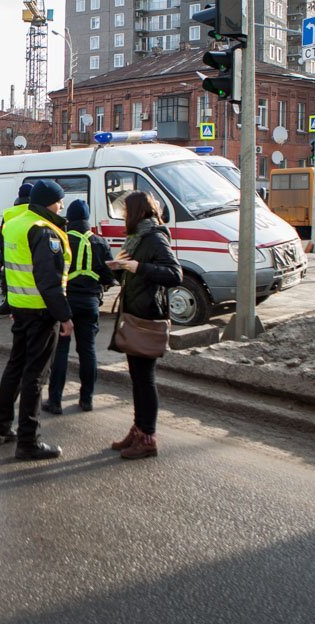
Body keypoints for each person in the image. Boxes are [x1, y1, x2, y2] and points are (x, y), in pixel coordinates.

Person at [0, 180, 73, 460]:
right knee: (35, 376)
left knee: (15, 368)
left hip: (21, 307)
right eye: (59, 200)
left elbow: (11, 269)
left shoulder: (15, 223)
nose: (62, 205)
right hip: (40, 310)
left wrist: (13, 302)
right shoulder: (43, 230)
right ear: (49, 201)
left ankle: (0, 427)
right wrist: (64, 316)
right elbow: (48, 281)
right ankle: (29, 441)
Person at [108, 191, 182, 460]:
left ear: (137, 212)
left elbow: (175, 274)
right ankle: (138, 429)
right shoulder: (137, 238)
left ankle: (147, 437)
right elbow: (130, 273)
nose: (123, 216)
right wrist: (119, 266)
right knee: (137, 379)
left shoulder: (154, 237)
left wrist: (137, 267)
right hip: (135, 313)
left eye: (126, 212)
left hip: (148, 316)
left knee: (145, 380)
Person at [42, 199, 116, 414]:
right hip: (91, 302)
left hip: (66, 303)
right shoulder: (100, 243)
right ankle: (87, 400)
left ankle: (55, 401)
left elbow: (53, 273)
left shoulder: (61, 239)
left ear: (70, 219)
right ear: (86, 219)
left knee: (61, 352)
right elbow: (109, 277)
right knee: (88, 350)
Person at [0, 183, 32, 271]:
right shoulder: (35, 211)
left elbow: (2, 239)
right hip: (29, 259)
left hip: (10, 259)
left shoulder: (8, 214)